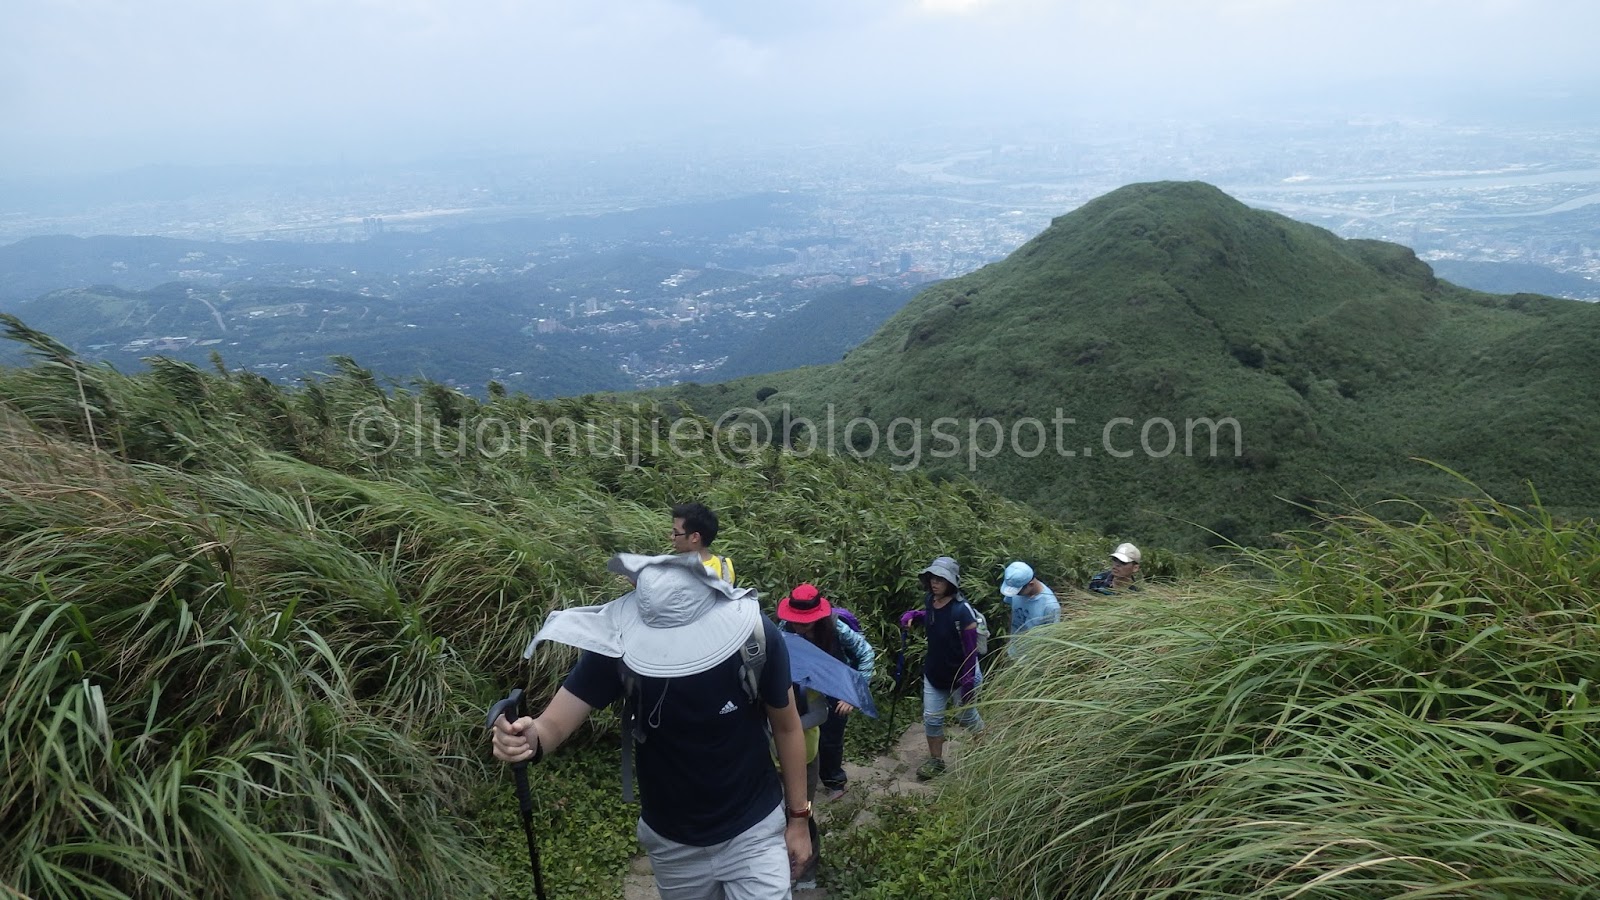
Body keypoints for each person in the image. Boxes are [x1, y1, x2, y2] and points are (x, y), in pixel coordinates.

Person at [491, 552, 811, 898]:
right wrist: (528, 738)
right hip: (673, 845)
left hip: (754, 830)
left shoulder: (754, 637)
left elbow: (788, 727)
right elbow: (553, 724)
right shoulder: (620, 641)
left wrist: (798, 820)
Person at [776, 583, 875, 801]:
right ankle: (801, 777)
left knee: (831, 737)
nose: (799, 625)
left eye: (804, 621)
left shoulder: (835, 627)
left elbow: (866, 653)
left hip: (834, 687)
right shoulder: (785, 627)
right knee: (801, 732)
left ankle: (834, 781)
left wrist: (853, 694)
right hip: (801, 686)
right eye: (796, 619)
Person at [897, 556, 983, 780]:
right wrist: (916, 617)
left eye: (941, 580)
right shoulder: (930, 600)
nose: (935, 583)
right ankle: (936, 761)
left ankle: (985, 751)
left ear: (951, 583)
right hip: (935, 673)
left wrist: (967, 682)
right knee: (932, 718)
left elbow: (971, 649)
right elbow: (934, 617)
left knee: (967, 718)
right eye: (932, 578)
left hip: (962, 674)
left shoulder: (962, 611)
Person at [998, 560, 1060, 656]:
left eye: (1018, 592)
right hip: (1013, 650)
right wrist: (1008, 643)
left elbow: (1052, 639)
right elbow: (1011, 614)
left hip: (1032, 659)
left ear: (1030, 584)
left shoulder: (1050, 606)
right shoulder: (1016, 588)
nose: (1016, 595)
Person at [671, 501, 736, 584]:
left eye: (676, 533)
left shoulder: (674, 570)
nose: (672, 537)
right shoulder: (725, 566)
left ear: (695, 537)